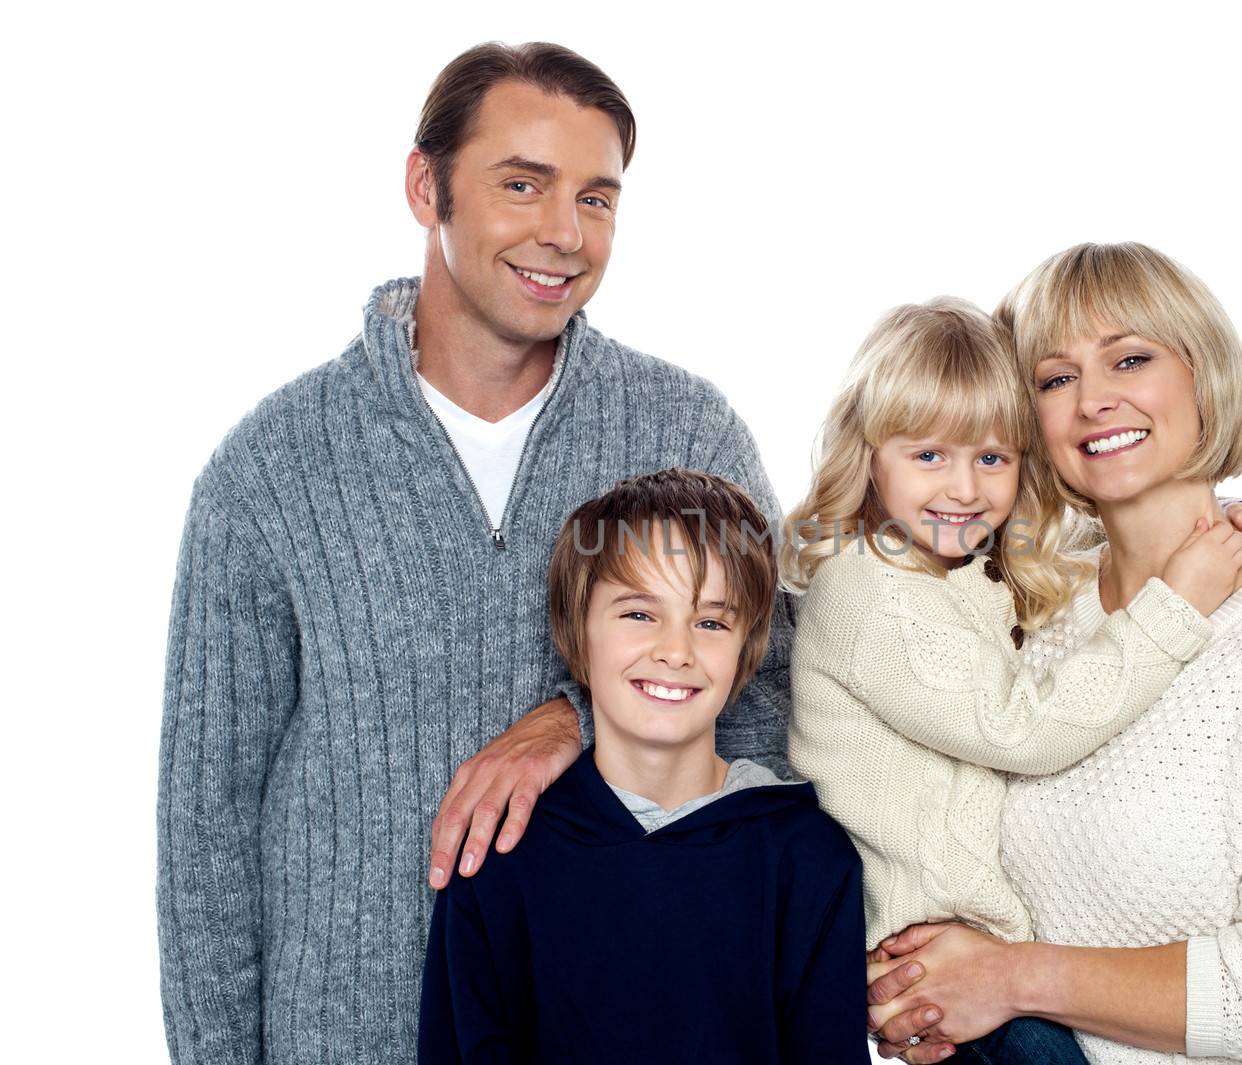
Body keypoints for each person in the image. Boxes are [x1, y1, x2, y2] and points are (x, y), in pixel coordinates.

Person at [156, 44, 792, 1065]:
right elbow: (207, 835)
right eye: (521, 184)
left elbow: (775, 716)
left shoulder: (687, 433)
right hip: (344, 1043)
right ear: (426, 187)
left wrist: (575, 716)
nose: (563, 233)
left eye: (597, 198)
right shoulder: (270, 470)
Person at [864, 243, 1242, 1065]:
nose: (1094, 401)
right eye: (1054, 378)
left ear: (1203, 373)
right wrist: (912, 979)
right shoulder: (1017, 601)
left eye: (1131, 358)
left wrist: (1009, 977)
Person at [785, 298, 1242, 1065]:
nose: (963, 489)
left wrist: (1223, 524)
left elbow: (1100, 547)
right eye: (928, 457)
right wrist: (1176, 606)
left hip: (989, 963)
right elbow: (1019, 730)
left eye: (992, 458)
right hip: (935, 965)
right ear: (870, 456)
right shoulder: (867, 589)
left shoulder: (964, 569)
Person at [418, 469, 864, 1064]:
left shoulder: (808, 857)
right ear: (577, 635)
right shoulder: (502, 854)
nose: (675, 650)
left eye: (710, 622)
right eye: (638, 614)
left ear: (746, 651)